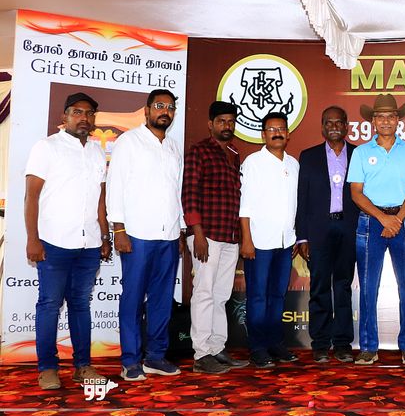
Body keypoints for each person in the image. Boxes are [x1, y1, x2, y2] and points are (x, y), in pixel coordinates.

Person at [25, 92, 111, 390]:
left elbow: (100, 200)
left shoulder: (98, 152)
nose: (83, 118)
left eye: (89, 113)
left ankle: (82, 366)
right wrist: (33, 240)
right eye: (77, 112)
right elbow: (31, 197)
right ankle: (47, 368)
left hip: (89, 244)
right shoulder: (46, 147)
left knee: (80, 304)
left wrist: (104, 235)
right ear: (65, 116)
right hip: (54, 242)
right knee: (49, 304)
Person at [107, 89, 184, 381]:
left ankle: (156, 356)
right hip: (137, 234)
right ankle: (130, 360)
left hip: (169, 234)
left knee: (162, 299)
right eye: (160, 106)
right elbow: (115, 186)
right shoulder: (129, 142)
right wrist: (118, 229)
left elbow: (175, 192)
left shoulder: (173, 147)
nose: (165, 111)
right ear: (147, 110)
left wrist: (180, 230)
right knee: (133, 298)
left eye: (170, 107)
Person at [347, 94, 405, 366]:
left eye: (391, 116)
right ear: (373, 121)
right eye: (380, 117)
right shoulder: (361, 153)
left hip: (403, 222)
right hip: (370, 223)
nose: (386, 121)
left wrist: (397, 219)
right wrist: (383, 218)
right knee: (368, 287)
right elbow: (356, 193)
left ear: (398, 120)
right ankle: (368, 347)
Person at [182, 100, 248, 375]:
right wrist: (198, 234)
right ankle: (201, 354)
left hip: (230, 236)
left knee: (221, 295)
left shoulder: (233, 153)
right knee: (204, 293)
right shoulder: (199, 151)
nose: (227, 126)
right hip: (206, 235)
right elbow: (189, 194)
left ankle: (217, 347)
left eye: (231, 121)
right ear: (210, 124)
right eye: (221, 121)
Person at [295, 106, 359, 364]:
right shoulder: (308, 156)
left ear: (346, 126)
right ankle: (320, 343)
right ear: (322, 127)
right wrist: (302, 237)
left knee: (343, 286)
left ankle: (342, 343)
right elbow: (302, 199)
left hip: (349, 228)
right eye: (328, 122)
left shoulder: (358, 154)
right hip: (319, 231)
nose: (334, 127)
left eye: (338, 122)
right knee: (319, 286)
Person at [239, 111, 300, 369]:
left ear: (288, 134)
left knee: (277, 295)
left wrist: (293, 236)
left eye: (281, 129)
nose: (277, 133)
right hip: (259, 242)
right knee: (258, 297)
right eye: (272, 129)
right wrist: (247, 239)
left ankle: (275, 343)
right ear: (263, 134)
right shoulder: (253, 162)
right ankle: (258, 348)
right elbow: (245, 205)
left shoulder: (294, 164)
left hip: (285, 242)